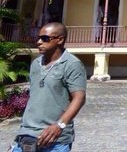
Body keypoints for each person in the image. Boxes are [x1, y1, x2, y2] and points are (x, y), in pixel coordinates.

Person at [10, 22, 87, 152]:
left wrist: (59, 125)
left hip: (55, 140)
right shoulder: (36, 63)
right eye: (38, 38)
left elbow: (79, 98)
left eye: (45, 38)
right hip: (26, 135)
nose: (39, 42)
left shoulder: (72, 64)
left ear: (60, 39)